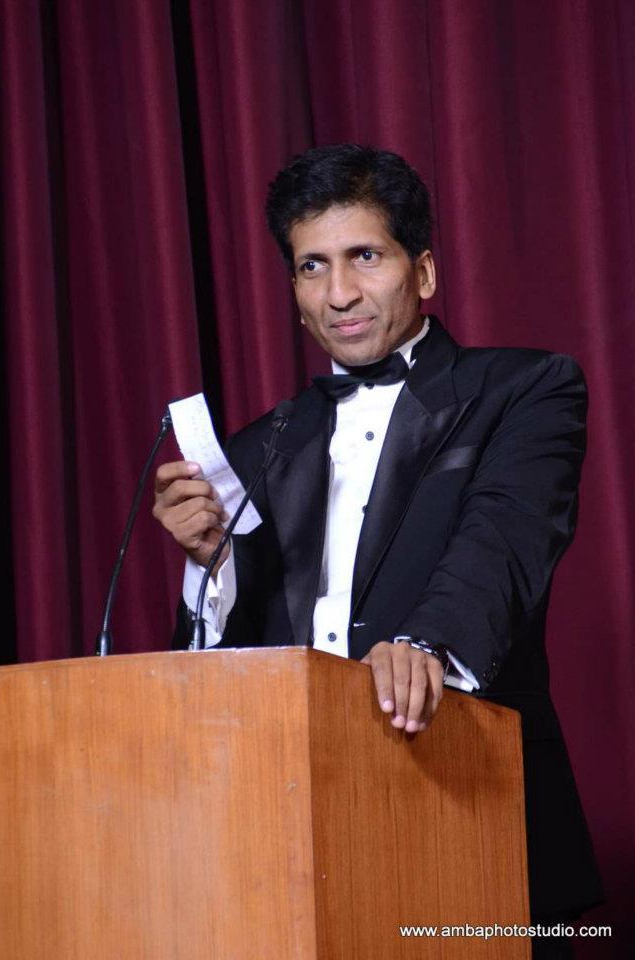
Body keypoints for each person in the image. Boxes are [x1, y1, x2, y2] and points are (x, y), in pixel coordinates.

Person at [153, 144, 602, 954]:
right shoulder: (257, 448)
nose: (340, 293)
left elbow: (503, 538)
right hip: (285, 836)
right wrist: (209, 565)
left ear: (422, 271)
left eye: (365, 256)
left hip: (469, 801)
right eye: (312, 266)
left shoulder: (525, 390)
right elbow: (220, 665)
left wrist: (425, 643)